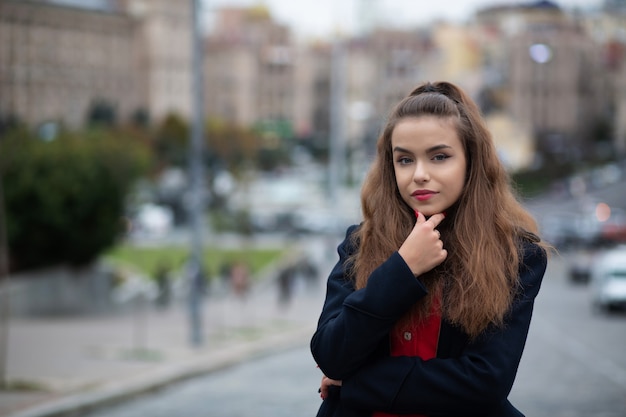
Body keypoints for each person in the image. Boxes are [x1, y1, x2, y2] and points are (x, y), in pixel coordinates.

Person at [310, 81, 549, 417]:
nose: (419, 174)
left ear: (471, 162)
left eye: (439, 156)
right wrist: (401, 269)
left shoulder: (518, 256)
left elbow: (486, 381)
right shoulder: (359, 244)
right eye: (404, 160)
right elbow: (331, 354)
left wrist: (355, 384)